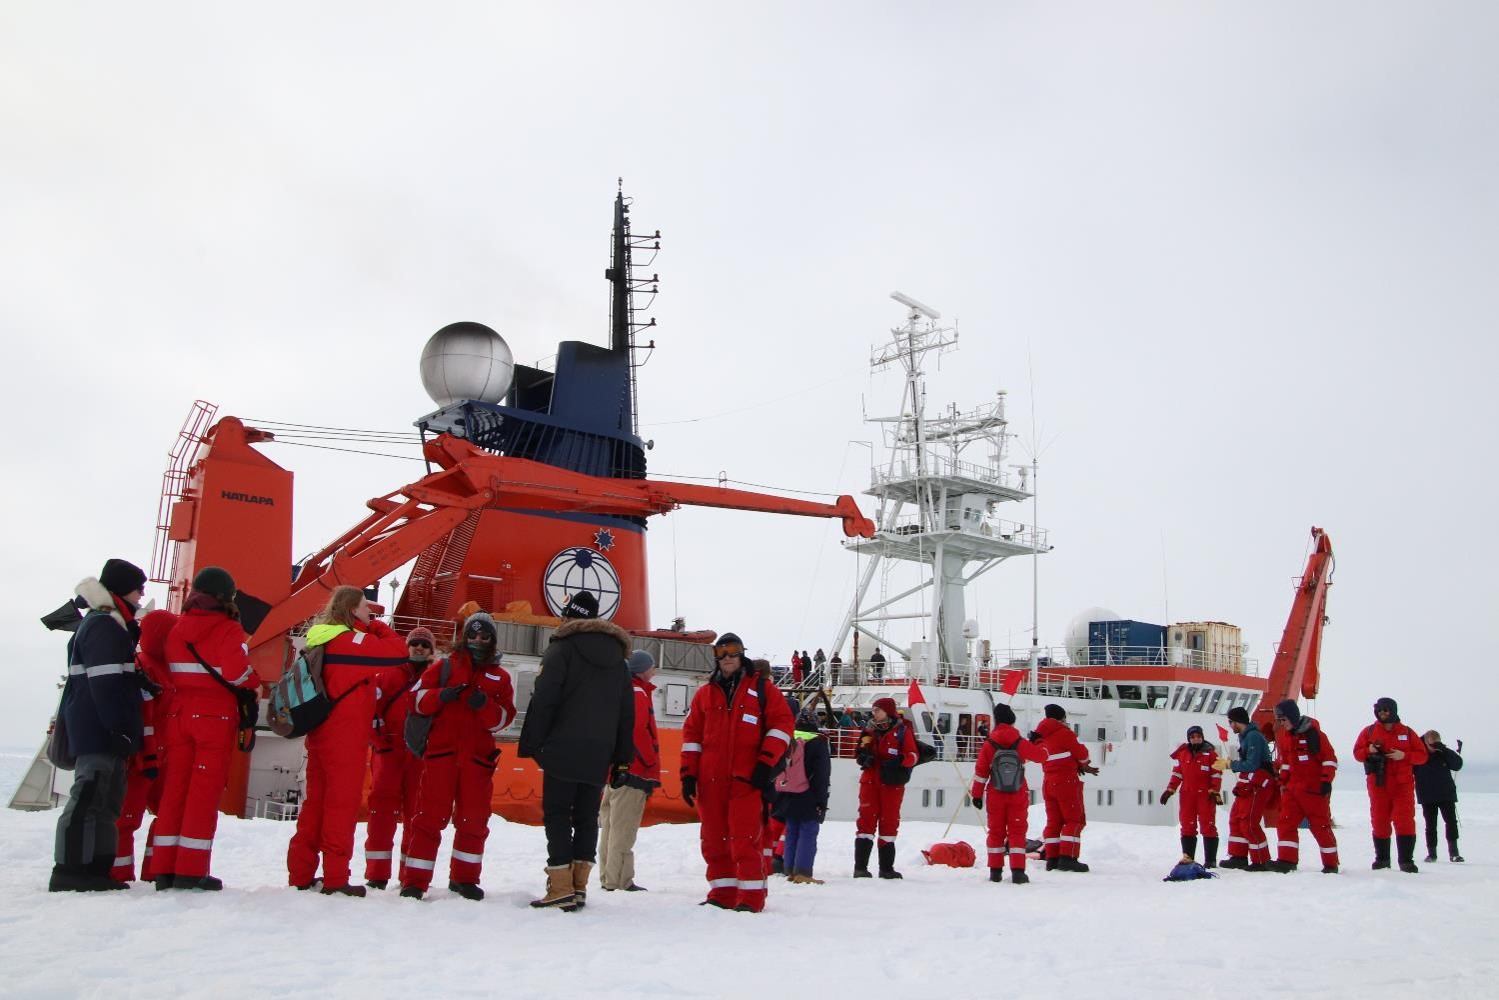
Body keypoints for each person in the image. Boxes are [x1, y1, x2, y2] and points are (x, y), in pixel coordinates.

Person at [287, 585, 408, 896]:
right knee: (341, 806)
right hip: (345, 735)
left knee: (315, 804)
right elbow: (398, 651)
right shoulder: (351, 641)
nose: (371, 611)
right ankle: (336, 878)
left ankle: (301, 873)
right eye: (366, 606)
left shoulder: (320, 637)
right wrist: (376, 626)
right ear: (353, 610)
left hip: (320, 731)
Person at [519, 591, 634, 910]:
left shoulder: (562, 649)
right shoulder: (619, 661)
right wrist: (622, 760)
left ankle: (559, 887)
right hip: (599, 753)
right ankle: (579, 886)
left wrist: (533, 743)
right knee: (586, 818)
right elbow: (627, 713)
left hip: (562, 748)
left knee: (557, 815)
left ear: (570, 616)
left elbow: (544, 699)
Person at [154, 566, 258, 891]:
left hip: (179, 714)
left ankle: (163, 867)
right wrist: (252, 683)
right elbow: (236, 671)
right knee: (203, 792)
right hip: (214, 718)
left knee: (175, 790)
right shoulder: (228, 629)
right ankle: (191, 869)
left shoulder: (178, 627)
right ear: (227, 597)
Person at [400, 611, 516, 900]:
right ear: (465, 637)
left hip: (477, 761)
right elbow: (414, 700)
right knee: (428, 818)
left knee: (473, 821)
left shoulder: (500, 677)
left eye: (484, 636)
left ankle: (465, 879)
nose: (478, 640)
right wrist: (441, 695)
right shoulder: (443, 667)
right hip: (442, 757)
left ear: (491, 639)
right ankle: (414, 882)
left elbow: (502, 720)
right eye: (474, 635)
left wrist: (484, 705)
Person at [50, 558, 149, 892]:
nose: (141, 596)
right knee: (90, 796)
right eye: (139, 589)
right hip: (99, 729)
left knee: (105, 801)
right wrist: (118, 727)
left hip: (98, 727)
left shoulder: (106, 624)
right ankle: (70, 870)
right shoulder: (107, 626)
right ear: (123, 589)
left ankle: (93, 869)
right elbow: (105, 685)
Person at [680, 632, 794, 912]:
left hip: (746, 780)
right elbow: (692, 737)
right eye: (721, 653)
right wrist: (688, 775)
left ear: (742, 655)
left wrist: (765, 764)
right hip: (710, 782)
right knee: (714, 840)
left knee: (745, 839)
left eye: (732, 652)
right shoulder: (705, 694)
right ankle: (722, 893)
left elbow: (781, 727)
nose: (727, 658)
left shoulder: (763, 690)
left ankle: (752, 897)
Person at [362, 626, 435, 889]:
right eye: (414, 643)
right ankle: (377, 873)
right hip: (389, 752)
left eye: (424, 645)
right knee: (381, 811)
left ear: (431, 651)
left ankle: (410, 876)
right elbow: (370, 710)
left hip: (419, 756)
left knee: (416, 814)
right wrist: (380, 742)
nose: (418, 648)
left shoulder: (435, 678)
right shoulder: (387, 675)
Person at [111, 608, 176, 884]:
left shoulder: (160, 667)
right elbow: (146, 717)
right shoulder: (147, 667)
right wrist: (148, 756)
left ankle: (151, 870)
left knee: (164, 815)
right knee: (128, 818)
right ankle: (120, 872)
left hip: (160, 754)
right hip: (145, 756)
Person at [598, 649, 661, 893]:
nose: (654, 671)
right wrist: (647, 765)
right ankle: (620, 880)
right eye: (652, 667)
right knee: (623, 830)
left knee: (610, 827)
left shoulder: (621, 691)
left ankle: (607, 876)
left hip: (615, 772)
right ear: (641, 670)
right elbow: (637, 733)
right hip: (633, 772)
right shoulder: (638, 694)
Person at [970, 703, 1048, 883]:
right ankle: (1018, 872)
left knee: (996, 832)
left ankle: (995, 872)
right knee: (1017, 832)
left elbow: (981, 772)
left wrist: (976, 795)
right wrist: (1039, 741)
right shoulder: (1019, 742)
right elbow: (1042, 756)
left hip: (995, 794)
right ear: (1012, 720)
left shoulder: (990, 743)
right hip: (1017, 792)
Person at [1352, 697, 1429, 872]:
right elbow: (1357, 753)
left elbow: (1422, 756)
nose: (1382, 713)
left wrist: (1405, 755)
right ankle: (1382, 859)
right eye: (1380, 711)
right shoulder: (1369, 731)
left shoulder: (1407, 732)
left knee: (1404, 821)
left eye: (1386, 710)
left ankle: (1406, 861)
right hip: (1378, 784)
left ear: (1393, 711)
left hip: (1402, 785)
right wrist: (1368, 751)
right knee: (1379, 821)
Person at [1271, 699, 1340, 874]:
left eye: (1283, 719)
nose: (1281, 723)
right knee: (1285, 823)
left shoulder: (1315, 735)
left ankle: (1331, 864)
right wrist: (1282, 781)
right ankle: (1287, 860)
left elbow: (1330, 759)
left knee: (1320, 826)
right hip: (1293, 790)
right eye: (1279, 720)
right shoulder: (1286, 738)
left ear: (1292, 717)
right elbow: (1286, 763)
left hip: (1314, 790)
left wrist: (1326, 781)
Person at [853, 695, 918, 879]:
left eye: (877, 710)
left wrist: (901, 761)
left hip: (891, 784)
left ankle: (886, 868)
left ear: (887, 711)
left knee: (889, 822)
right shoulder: (868, 730)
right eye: (873, 710)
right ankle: (860, 867)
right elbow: (858, 751)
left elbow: (913, 755)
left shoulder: (902, 731)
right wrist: (862, 756)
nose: (874, 713)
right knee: (866, 821)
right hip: (870, 782)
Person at [1034, 703, 1097, 872]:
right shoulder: (1064, 733)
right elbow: (1082, 753)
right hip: (1066, 782)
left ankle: (1052, 859)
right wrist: (1083, 764)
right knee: (1074, 820)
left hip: (1048, 782)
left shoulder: (1039, 735)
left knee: (1054, 821)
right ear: (1061, 718)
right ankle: (1068, 858)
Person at [773, 703, 832, 884]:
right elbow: (821, 775)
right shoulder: (818, 742)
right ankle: (803, 873)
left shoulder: (789, 738)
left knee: (792, 831)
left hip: (786, 791)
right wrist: (822, 801)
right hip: (808, 793)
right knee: (808, 831)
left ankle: (790, 870)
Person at [1219, 706, 1275, 871]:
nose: (1230, 726)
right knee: (1236, 818)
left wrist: (1231, 764)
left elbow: (1252, 764)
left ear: (1237, 722)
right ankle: (1238, 856)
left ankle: (1261, 860)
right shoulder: (1246, 736)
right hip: (1247, 784)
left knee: (1249, 822)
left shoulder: (1253, 737)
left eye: (1231, 722)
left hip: (1257, 785)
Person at [1160, 725, 1224, 867]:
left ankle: (1210, 860)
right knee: (1187, 825)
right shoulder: (1183, 753)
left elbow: (1216, 774)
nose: (1196, 739)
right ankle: (1188, 858)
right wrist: (1170, 789)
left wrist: (1215, 791)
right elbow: (1177, 773)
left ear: (1202, 737)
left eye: (1198, 736)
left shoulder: (1211, 753)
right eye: (1193, 737)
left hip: (1206, 796)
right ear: (1189, 738)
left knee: (1208, 825)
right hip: (1187, 794)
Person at [1413, 730, 1464, 863]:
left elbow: (1457, 765)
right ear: (1425, 742)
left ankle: (1454, 853)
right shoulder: (1418, 753)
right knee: (1431, 825)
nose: (1434, 747)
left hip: (1446, 794)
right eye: (1432, 745)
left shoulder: (1443, 753)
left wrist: (1445, 750)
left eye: (1437, 744)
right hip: (1427, 795)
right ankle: (1432, 854)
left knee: (1451, 823)